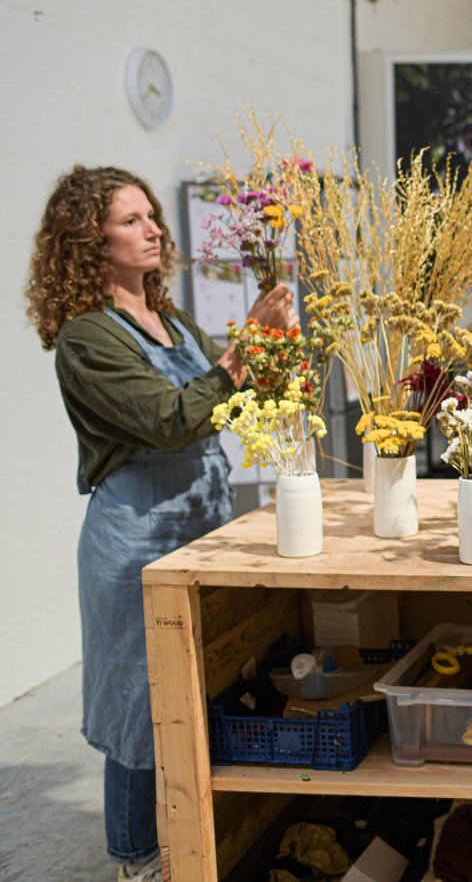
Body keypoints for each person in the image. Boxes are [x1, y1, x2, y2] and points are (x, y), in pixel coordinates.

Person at [25, 166, 297, 881]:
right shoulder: (87, 339)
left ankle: (197, 837)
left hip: (203, 519)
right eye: (130, 220)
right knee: (140, 701)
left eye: (151, 215)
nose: (152, 229)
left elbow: (226, 404)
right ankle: (136, 857)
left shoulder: (172, 324)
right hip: (137, 534)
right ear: (89, 241)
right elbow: (168, 419)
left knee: (206, 679)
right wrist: (242, 353)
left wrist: (273, 356)